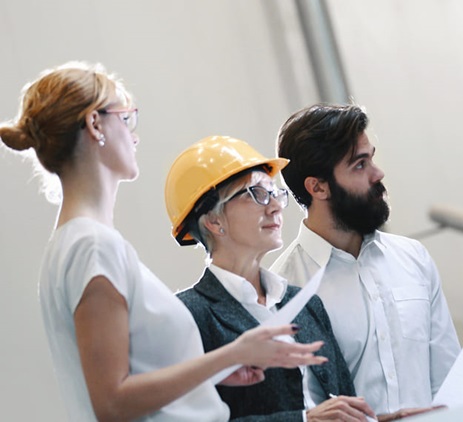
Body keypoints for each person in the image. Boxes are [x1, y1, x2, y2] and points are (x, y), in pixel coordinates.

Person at [0, 62, 326, 421]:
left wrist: (211, 373)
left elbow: (127, 383)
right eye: (127, 119)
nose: (135, 136)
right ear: (95, 124)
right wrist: (232, 354)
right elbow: (112, 401)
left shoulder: (76, 243)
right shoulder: (91, 246)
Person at [165, 135, 375, 421]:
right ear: (213, 221)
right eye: (257, 194)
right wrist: (305, 420)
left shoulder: (305, 303)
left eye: (275, 194)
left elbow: (343, 405)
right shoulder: (187, 315)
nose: (275, 206)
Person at [270, 103, 460, 420]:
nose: (377, 173)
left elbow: (448, 379)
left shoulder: (413, 258)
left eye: (371, 158)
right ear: (317, 186)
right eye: (359, 165)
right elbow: (301, 410)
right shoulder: (280, 290)